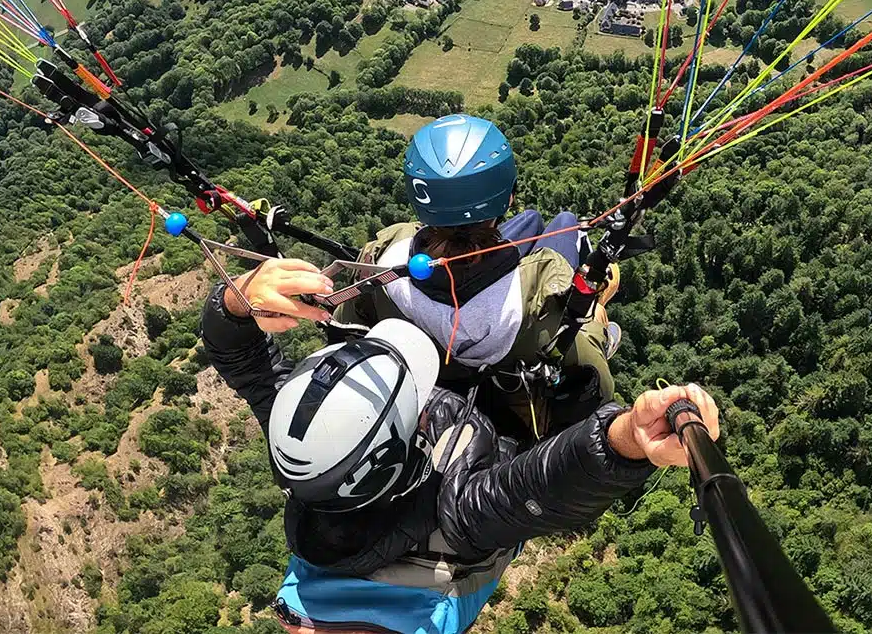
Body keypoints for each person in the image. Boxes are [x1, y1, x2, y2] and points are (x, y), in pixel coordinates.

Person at [201, 256, 720, 634]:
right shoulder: (460, 513)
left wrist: (237, 299)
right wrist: (628, 436)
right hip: (490, 457)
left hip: (362, 538)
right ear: (402, 453)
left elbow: (247, 364)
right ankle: (599, 325)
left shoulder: (307, 449)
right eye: (416, 397)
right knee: (573, 364)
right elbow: (543, 483)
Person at [337, 113, 619, 438]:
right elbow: (598, 390)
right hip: (502, 390)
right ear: (508, 195)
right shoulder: (540, 297)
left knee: (530, 220)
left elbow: (348, 322)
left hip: (423, 373)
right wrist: (597, 318)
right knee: (566, 220)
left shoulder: (385, 252)